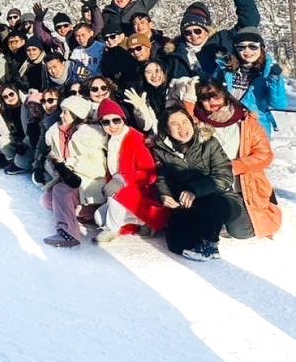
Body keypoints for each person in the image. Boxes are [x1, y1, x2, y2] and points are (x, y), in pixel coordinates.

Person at [193, 81, 281, 240]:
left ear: (225, 96)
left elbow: (264, 155)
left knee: (241, 232)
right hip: (212, 185)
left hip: (242, 185)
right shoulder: (197, 122)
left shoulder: (246, 122)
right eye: (205, 98)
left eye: (215, 96)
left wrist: (233, 166)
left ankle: (258, 210)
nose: (212, 102)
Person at [153, 108, 236, 261]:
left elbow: (224, 175)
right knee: (177, 245)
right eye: (174, 124)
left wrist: (194, 190)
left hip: (220, 198)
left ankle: (210, 244)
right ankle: (203, 230)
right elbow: (161, 177)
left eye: (185, 122)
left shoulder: (209, 142)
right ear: (166, 128)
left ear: (192, 123)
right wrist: (164, 194)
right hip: (188, 204)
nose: (182, 128)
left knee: (211, 204)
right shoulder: (161, 150)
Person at [91, 99, 168, 243]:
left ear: (123, 119)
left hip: (138, 192)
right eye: (106, 122)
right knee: (98, 217)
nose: (112, 126)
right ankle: (139, 222)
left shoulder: (135, 138)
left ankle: (113, 229)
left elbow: (150, 174)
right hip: (118, 196)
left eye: (116, 120)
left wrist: (122, 179)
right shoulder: (111, 139)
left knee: (115, 193)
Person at [41, 95, 107, 248]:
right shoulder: (61, 132)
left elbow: (99, 170)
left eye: (65, 112)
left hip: (91, 184)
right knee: (47, 200)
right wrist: (56, 165)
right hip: (73, 181)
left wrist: (68, 164)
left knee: (60, 190)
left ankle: (68, 232)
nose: (61, 115)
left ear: (76, 114)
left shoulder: (88, 137)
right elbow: (57, 159)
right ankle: (86, 212)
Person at [213, 27, 287, 136]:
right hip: (227, 123)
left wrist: (275, 79)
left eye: (253, 46)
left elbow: (279, 104)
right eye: (241, 47)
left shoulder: (268, 71)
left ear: (261, 48)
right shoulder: (225, 69)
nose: (247, 51)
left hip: (255, 126)